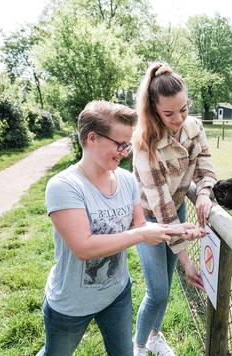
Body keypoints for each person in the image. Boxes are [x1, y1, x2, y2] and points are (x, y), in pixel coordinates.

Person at [38, 101, 202, 356]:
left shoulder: (126, 180)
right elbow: (83, 247)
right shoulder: (64, 186)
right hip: (70, 303)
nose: (125, 152)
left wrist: (176, 230)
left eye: (127, 144)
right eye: (120, 144)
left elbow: (140, 226)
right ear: (92, 138)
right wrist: (140, 234)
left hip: (116, 295)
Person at [132, 63, 217, 356]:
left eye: (183, 108)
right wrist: (186, 259)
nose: (179, 118)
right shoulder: (145, 143)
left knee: (165, 287)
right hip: (149, 218)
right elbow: (161, 207)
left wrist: (204, 194)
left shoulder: (194, 128)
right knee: (157, 292)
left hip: (178, 209)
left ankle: (155, 336)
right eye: (169, 113)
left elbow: (206, 169)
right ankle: (139, 346)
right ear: (153, 109)